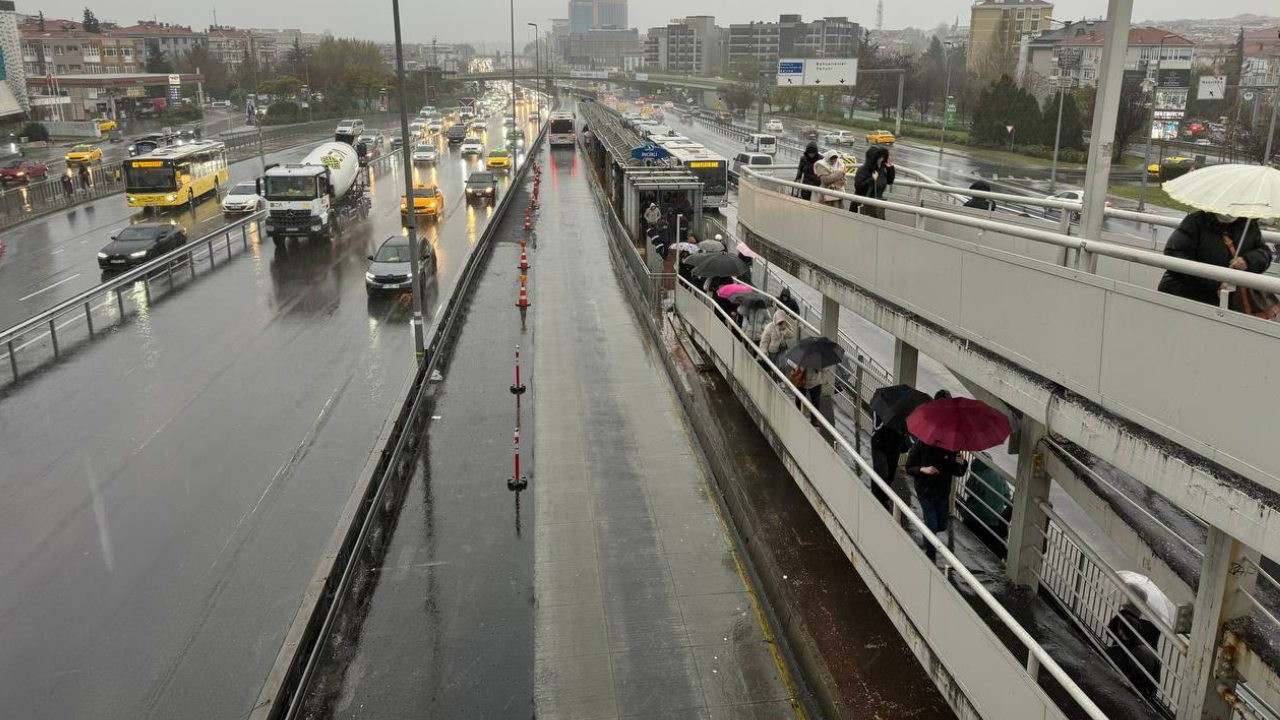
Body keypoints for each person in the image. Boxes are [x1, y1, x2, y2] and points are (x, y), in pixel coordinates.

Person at [1157, 210, 1273, 310]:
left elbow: (1264, 253)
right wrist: (1215, 282)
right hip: (1186, 298)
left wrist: (1248, 261)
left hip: (1227, 303)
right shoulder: (1196, 221)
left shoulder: (1248, 224)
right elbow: (1174, 255)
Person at [905, 390, 967, 562]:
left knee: (941, 524)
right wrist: (924, 470)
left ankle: (929, 540)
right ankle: (930, 557)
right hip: (925, 489)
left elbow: (958, 472)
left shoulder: (952, 442)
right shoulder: (923, 440)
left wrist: (962, 464)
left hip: (942, 490)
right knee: (932, 525)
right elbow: (909, 466)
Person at [870, 416, 913, 510]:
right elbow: (877, 426)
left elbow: (907, 433)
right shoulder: (882, 408)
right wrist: (891, 421)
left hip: (894, 447)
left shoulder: (904, 413)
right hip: (879, 444)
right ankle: (877, 498)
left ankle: (884, 498)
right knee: (881, 471)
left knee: (890, 474)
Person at [851, 145, 895, 218]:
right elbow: (858, 187)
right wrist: (871, 180)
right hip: (862, 205)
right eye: (880, 157)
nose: (881, 159)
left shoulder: (882, 169)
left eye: (883, 157)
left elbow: (889, 181)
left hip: (877, 205)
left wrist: (891, 169)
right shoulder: (863, 170)